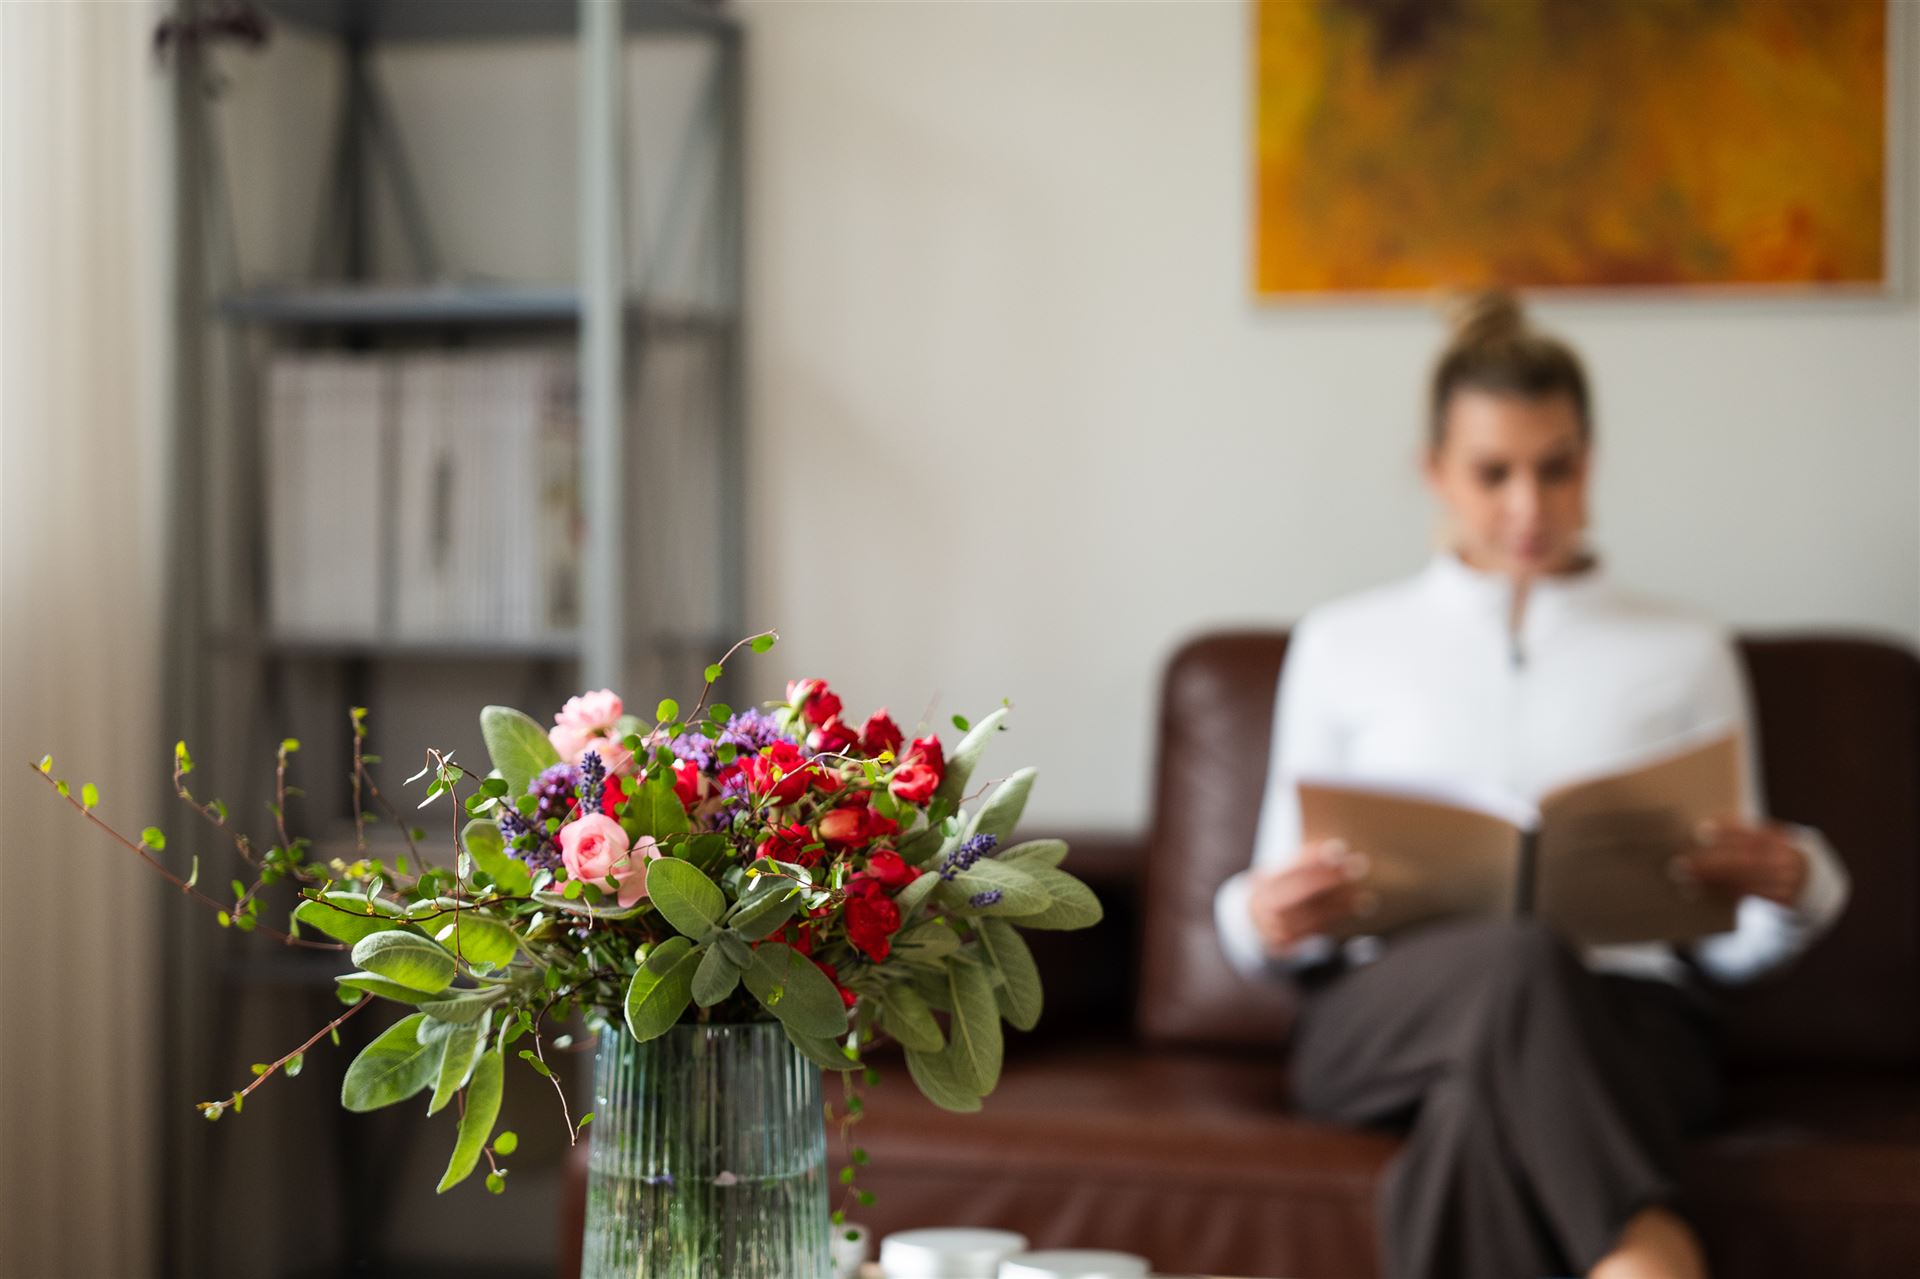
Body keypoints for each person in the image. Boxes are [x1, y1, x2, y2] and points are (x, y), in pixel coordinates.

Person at [1213, 292, 1850, 1279]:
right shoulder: (1343, 644)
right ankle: (1643, 1249)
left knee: (1481, 1104)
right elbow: (1265, 907)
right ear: (1434, 472)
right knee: (1517, 962)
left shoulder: (1685, 649)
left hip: (1629, 1018)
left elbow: (1729, 943)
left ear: (1591, 462)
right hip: (1389, 1012)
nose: (1528, 505)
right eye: (1493, 472)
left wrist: (1799, 884)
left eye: (1557, 468)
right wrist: (1263, 915)